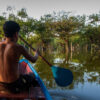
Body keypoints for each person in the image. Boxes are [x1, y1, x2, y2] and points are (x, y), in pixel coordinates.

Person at [0, 21, 39, 93]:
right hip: (13, 87)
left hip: (1, 86)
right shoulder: (18, 47)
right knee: (32, 75)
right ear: (16, 34)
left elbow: (3, 41)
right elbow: (33, 60)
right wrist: (36, 54)